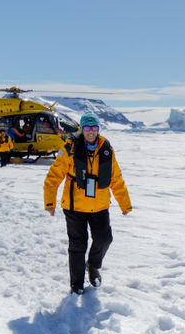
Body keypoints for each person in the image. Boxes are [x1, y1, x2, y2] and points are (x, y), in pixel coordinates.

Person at [43, 110, 132, 295]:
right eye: (87, 128)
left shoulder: (106, 149)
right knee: (78, 246)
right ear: (82, 129)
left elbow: (115, 178)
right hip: (74, 206)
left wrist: (124, 203)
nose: (91, 131)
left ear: (98, 129)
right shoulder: (70, 148)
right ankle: (76, 285)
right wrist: (50, 202)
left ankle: (93, 266)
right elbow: (54, 176)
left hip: (99, 206)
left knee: (105, 238)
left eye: (94, 127)